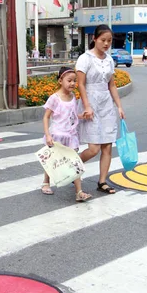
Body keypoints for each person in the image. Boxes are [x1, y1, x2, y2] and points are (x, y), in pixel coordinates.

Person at [76, 24, 126, 195]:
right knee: (93, 148)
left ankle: (102, 181)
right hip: (90, 102)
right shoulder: (85, 58)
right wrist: (87, 105)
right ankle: (72, 166)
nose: (106, 44)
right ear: (94, 39)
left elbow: (111, 85)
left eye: (109, 41)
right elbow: (80, 84)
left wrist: (119, 106)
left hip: (106, 104)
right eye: (103, 40)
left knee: (107, 146)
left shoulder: (109, 60)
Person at [41, 66, 92, 202]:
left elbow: (73, 115)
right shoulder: (54, 98)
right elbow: (46, 117)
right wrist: (48, 135)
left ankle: (79, 192)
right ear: (60, 81)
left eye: (74, 81)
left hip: (71, 135)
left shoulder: (73, 97)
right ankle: (46, 182)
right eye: (69, 80)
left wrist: (82, 116)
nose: (72, 84)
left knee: (74, 162)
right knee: (52, 160)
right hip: (57, 134)